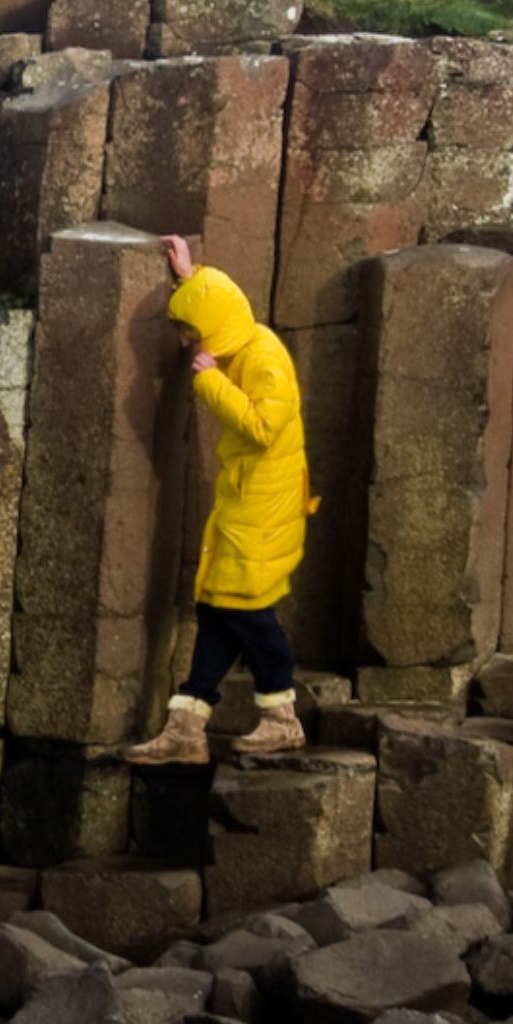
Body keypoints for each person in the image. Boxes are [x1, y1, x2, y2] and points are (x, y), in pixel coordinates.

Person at [124, 236, 318, 766]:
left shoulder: (265, 358)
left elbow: (261, 425)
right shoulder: (238, 338)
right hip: (247, 499)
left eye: (191, 332)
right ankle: (186, 728)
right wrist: (188, 278)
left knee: (249, 611)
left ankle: (283, 718)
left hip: (264, 506)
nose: (188, 343)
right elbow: (218, 303)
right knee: (215, 609)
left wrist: (210, 384)